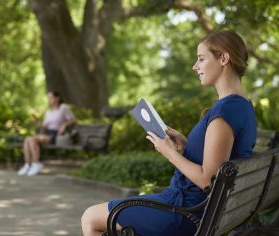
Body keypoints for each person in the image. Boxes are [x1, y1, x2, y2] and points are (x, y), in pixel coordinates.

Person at [81, 30, 257, 236]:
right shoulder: (242, 106)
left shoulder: (225, 111)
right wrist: (186, 145)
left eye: (201, 59)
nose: (195, 66)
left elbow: (208, 180)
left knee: (90, 217)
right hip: (200, 209)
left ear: (224, 58)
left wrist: (169, 153)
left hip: (185, 212)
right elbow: (218, 162)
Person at [17, 91, 76, 176]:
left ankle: (36, 163)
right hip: (47, 133)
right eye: (48, 98)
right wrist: (37, 122)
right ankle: (28, 164)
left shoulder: (63, 108)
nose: (49, 100)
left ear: (57, 98)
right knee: (28, 139)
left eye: (51, 97)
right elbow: (44, 127)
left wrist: (64, 125)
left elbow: (73, 119)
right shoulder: (48, 111)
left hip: (56, 134)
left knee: (33, 139)